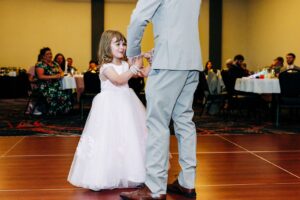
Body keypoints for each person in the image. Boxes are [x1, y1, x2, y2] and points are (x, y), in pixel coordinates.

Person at [120, 1, 203, 199]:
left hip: (169, 62)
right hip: (191, 61)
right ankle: (187, 182)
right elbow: (180, 27)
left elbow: (138, 18)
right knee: (184, 121)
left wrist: (132, 54)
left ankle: (155, 188)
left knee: (157, 123)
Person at [68, 30, 147, 191]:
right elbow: (118, 80)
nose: (122, 47)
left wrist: (149, 62)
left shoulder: (126, 64)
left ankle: (131, 173)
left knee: (129, 138)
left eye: (124, 43)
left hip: (127, 104)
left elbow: (142, 73)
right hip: (109, 107)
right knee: (109, 140)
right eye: (117, 43)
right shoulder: (105, 67)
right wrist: (133, 68)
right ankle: (105, 175)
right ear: (106, 46)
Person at [35, 47, 73, 115]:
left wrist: (61, 74)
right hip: (45, 86)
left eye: (50, 53)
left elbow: (62, 72)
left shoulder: (55, 64)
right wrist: (54, 76)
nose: (50, 55)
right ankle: (52, 111)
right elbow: (40, 76)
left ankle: (61, 111)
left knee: (66, 93)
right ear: (43, 56)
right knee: (58, 94)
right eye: (48, 54)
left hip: (56, 85)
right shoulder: (40, 64)